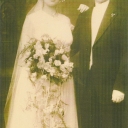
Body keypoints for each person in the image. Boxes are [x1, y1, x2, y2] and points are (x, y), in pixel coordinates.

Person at [4, 0, 88, 128]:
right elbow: (25, 55)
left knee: (61, 118)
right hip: (38, 81)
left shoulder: (65, 20)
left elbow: (81, 44)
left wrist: (87, 15)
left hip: (63, 81)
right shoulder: (32, 19)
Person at [71, 0, 127, 127]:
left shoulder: (122, 14)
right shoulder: (84, 15)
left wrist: (120, 86)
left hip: (110, 86)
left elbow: (126, 53)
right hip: (85, 83)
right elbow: (73, 48)